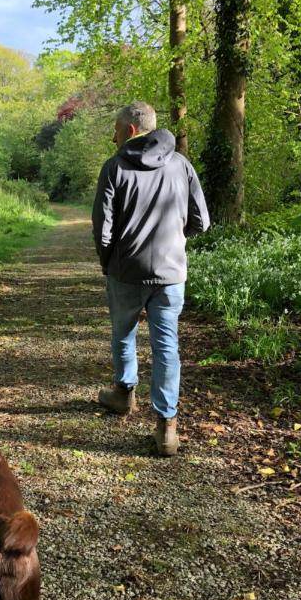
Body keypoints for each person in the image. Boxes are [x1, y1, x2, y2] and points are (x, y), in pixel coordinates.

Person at [92, 101, 210, 456]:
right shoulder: (181, 165)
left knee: (123, 332)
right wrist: (175, 239)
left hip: (125, 272)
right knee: (166, 346)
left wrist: (109, 263)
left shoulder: (114, 167)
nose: (112, 137)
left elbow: (103, 229)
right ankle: (166, 429)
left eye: (115, 129)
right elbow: (201, 221)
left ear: (129, 130)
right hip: (171, 274)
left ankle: (123, 395)